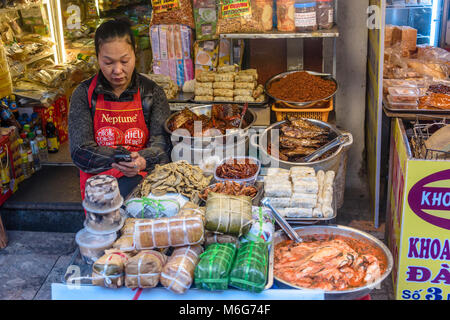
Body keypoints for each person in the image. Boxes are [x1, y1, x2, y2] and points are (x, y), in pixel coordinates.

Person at [69, 18, 171, 200]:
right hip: (99, 192)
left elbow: (162, 145)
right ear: (98, 57)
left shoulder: (152, 92)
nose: (117, 70)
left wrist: (141, 161)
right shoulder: (83, 94)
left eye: (124, 61)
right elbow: (80, 151)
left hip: (145, 186)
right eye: (108, 62)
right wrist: (121, 157)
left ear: (135, 54)